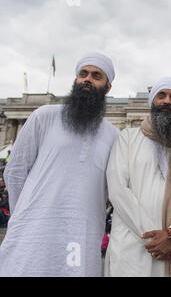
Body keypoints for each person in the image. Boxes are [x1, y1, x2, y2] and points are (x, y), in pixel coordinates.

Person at [0, 52, 119, 276]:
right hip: (34, 228)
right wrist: (23, 213)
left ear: (108, 87)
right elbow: (15, 171)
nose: (87, 80)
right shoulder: (44, 116)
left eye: (96, 76)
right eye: (83, 74)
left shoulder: (113, 135)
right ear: (76, 80)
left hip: (82, 231)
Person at [104, 77, 171, 277]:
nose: (167, 101)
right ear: (152, 102)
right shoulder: (128, 137)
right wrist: (156, 237)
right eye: (161, 95)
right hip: (134, 244)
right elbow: (117, 189)